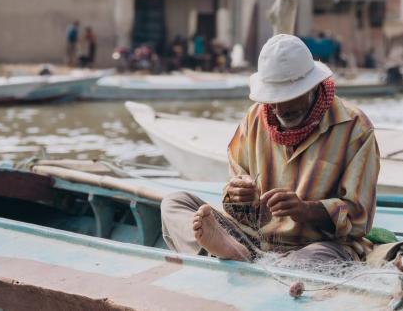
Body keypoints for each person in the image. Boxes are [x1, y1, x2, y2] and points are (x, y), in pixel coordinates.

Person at [160, 34, 380, 264]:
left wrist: (306, 210)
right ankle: (233, 253)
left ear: (313, 87)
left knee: (312, 259)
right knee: (175, 203)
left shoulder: (356, 128)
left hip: (316, 246)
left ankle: (238, 261)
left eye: (288, 97)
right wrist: (237, 196)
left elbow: (359, 219)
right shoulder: (254, 118)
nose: (278, 108)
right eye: (272, 99)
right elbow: (236, 200)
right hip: (252, 239)